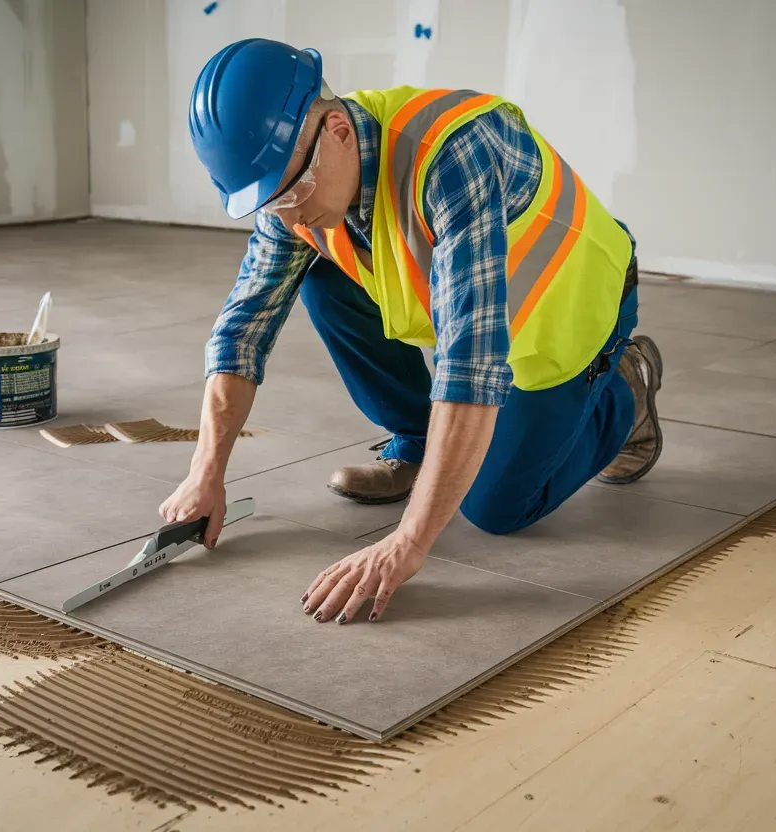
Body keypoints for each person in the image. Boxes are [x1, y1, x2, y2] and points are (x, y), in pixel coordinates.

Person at [159, 38, 664, 625]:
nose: (289, 217)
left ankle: (627, 390)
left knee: (496, 508)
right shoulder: (293, 190)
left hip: (570, 314)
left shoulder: (455, 155)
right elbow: (243, 328)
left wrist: (407, 545)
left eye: (292, 194)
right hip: (483, 320)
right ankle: (421, 442)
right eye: (268, 205)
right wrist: (205, 474)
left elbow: (470, 364)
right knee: (320, 276)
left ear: (339, 131)